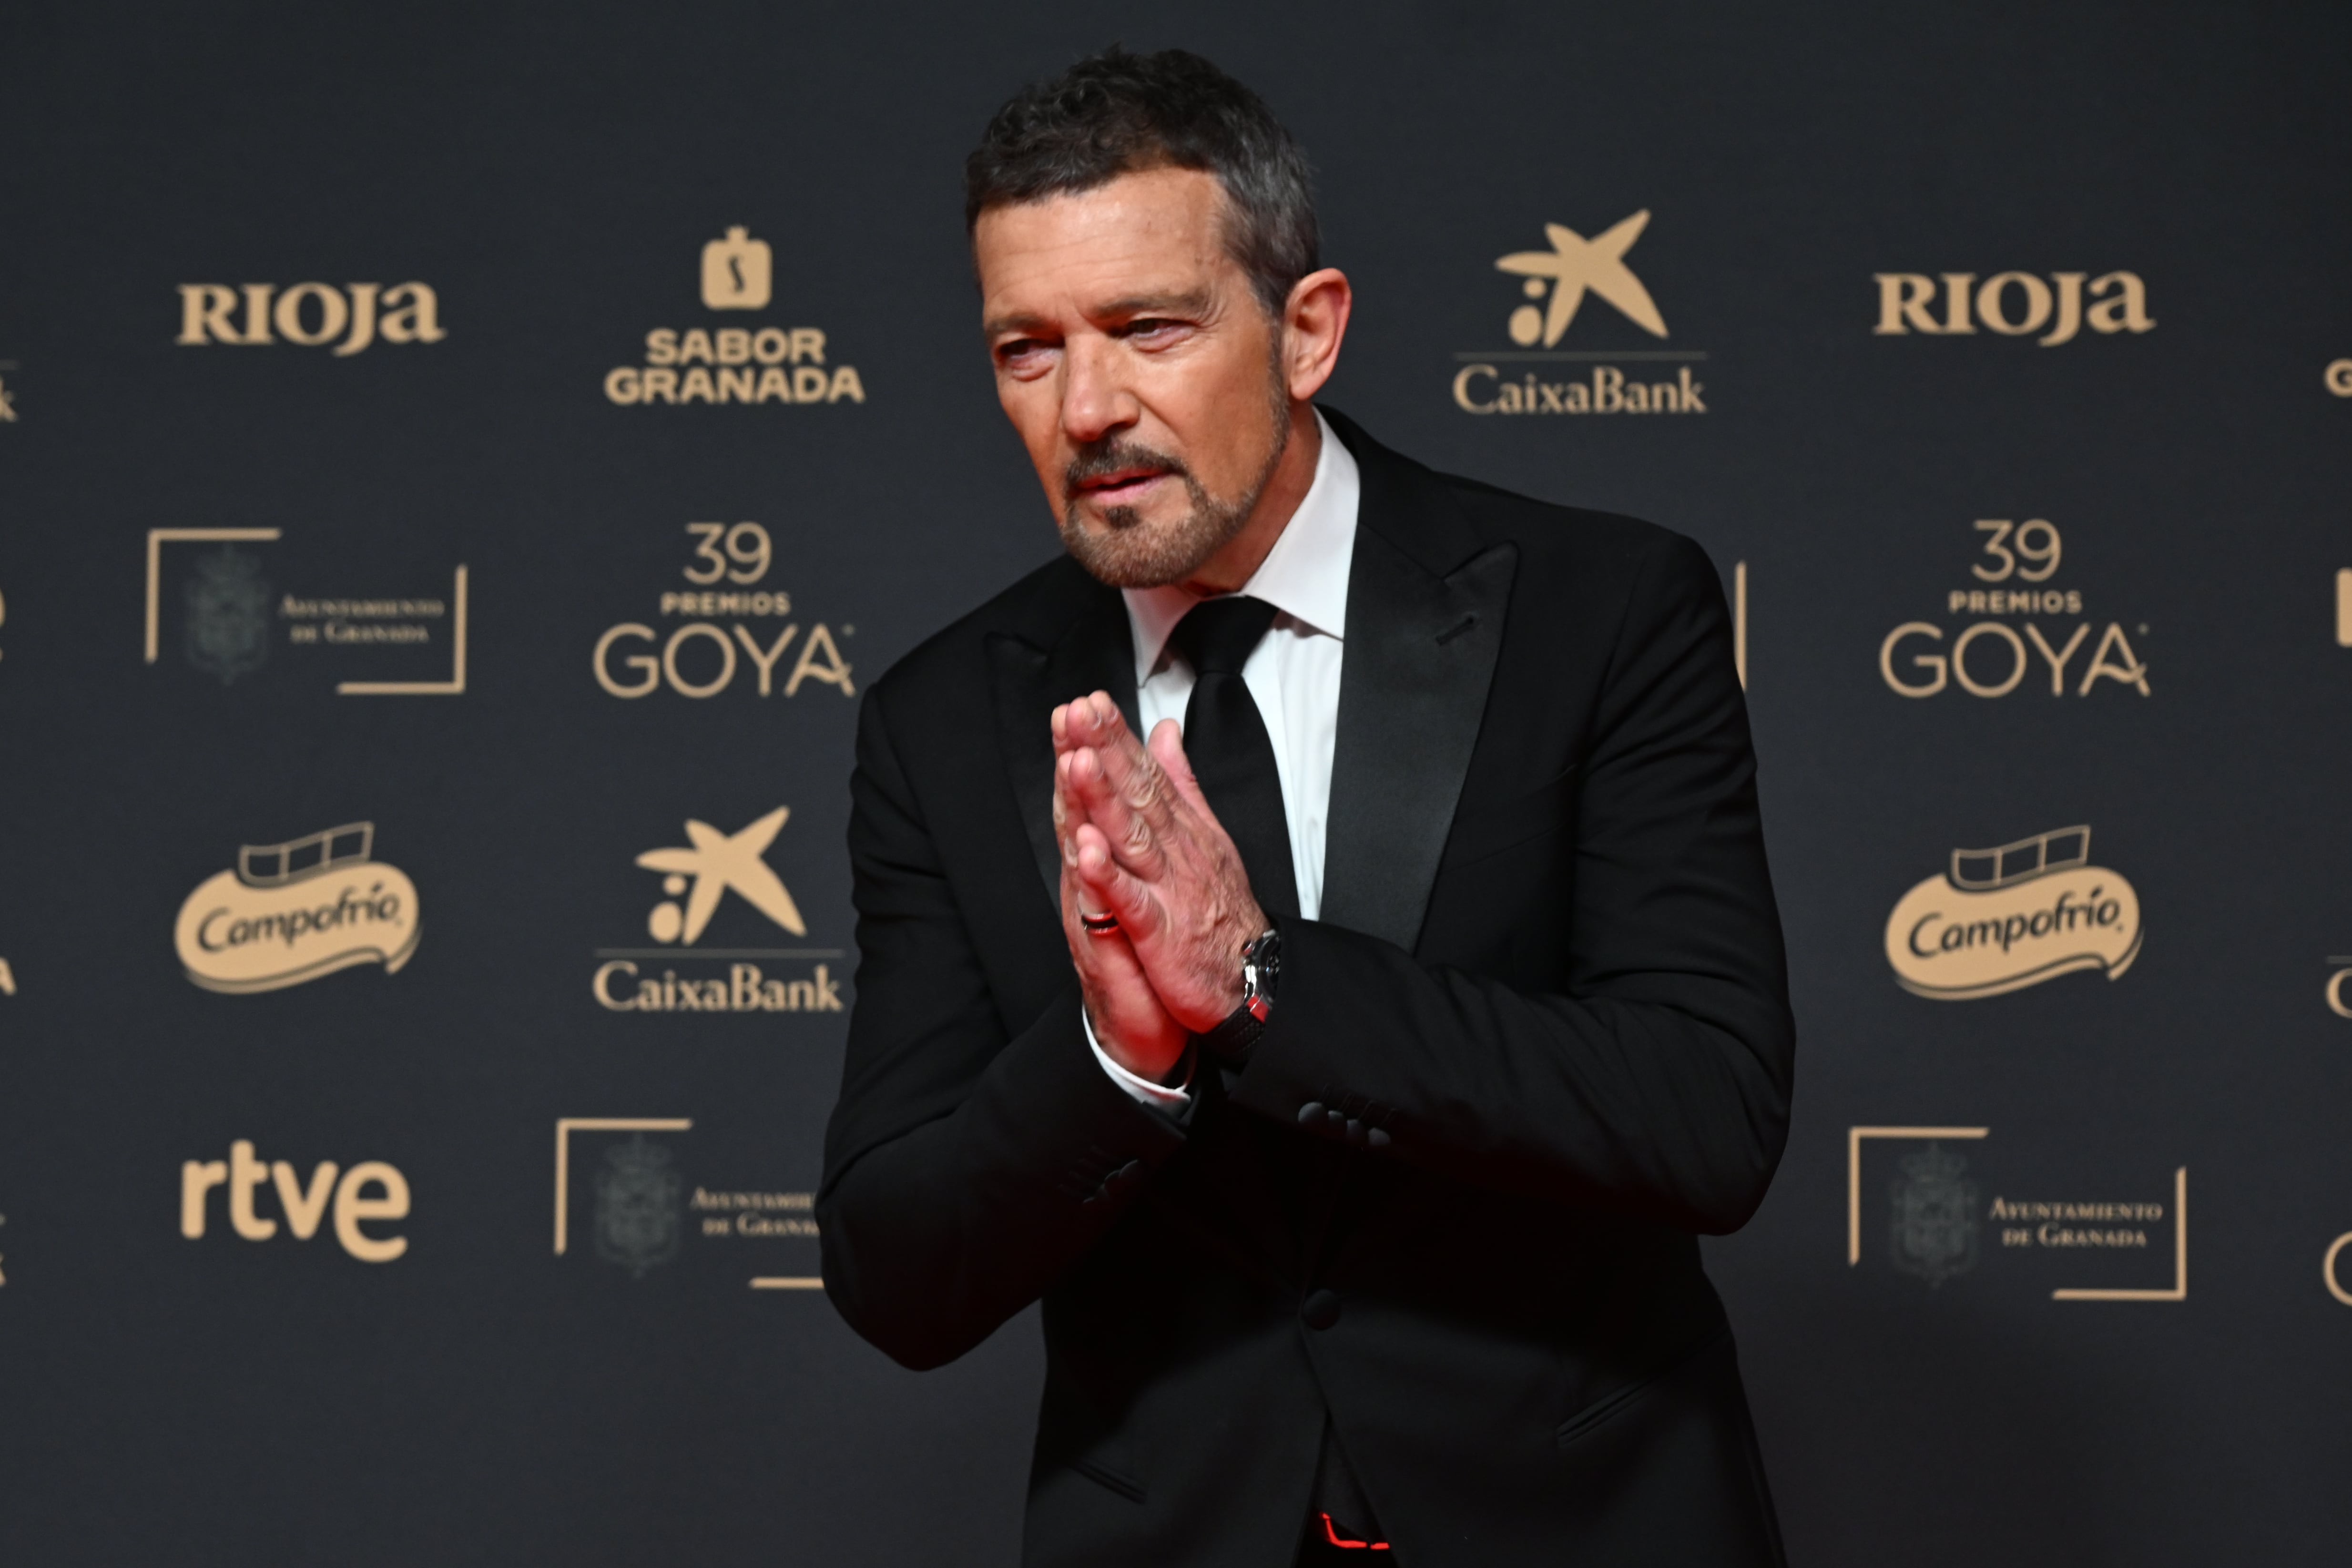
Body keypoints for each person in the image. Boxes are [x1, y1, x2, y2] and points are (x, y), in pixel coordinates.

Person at [817, 46, 1795, 1568]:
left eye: (1150, 328)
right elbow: (895, 1266)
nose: (1088, 407)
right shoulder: (946, 718)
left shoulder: (1602, 610)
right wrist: (1115, 1058)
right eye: (1027, 348)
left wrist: (1264, 984)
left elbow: (1710, 1113)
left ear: (1308, 331)